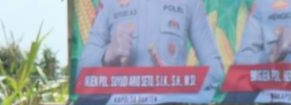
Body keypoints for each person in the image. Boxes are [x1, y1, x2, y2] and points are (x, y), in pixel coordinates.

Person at [78, 0, 225, 90]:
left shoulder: (190, 2)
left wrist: (180, 82)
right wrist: (107, 55)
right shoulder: (110, 2)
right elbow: (81, 71)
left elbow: (216, 72)